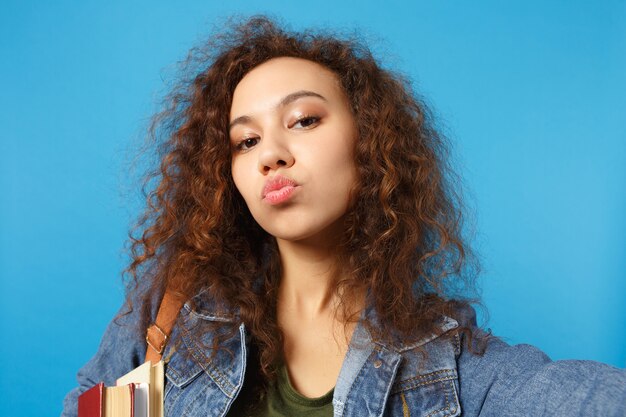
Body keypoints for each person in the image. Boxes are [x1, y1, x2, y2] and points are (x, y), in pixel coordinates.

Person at [62, 15, 626, 417]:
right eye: (245, 140)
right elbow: (88, 407)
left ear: (371, 145)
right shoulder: (174, 311)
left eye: (304, 120)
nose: (270, 153)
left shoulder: (447, 366)